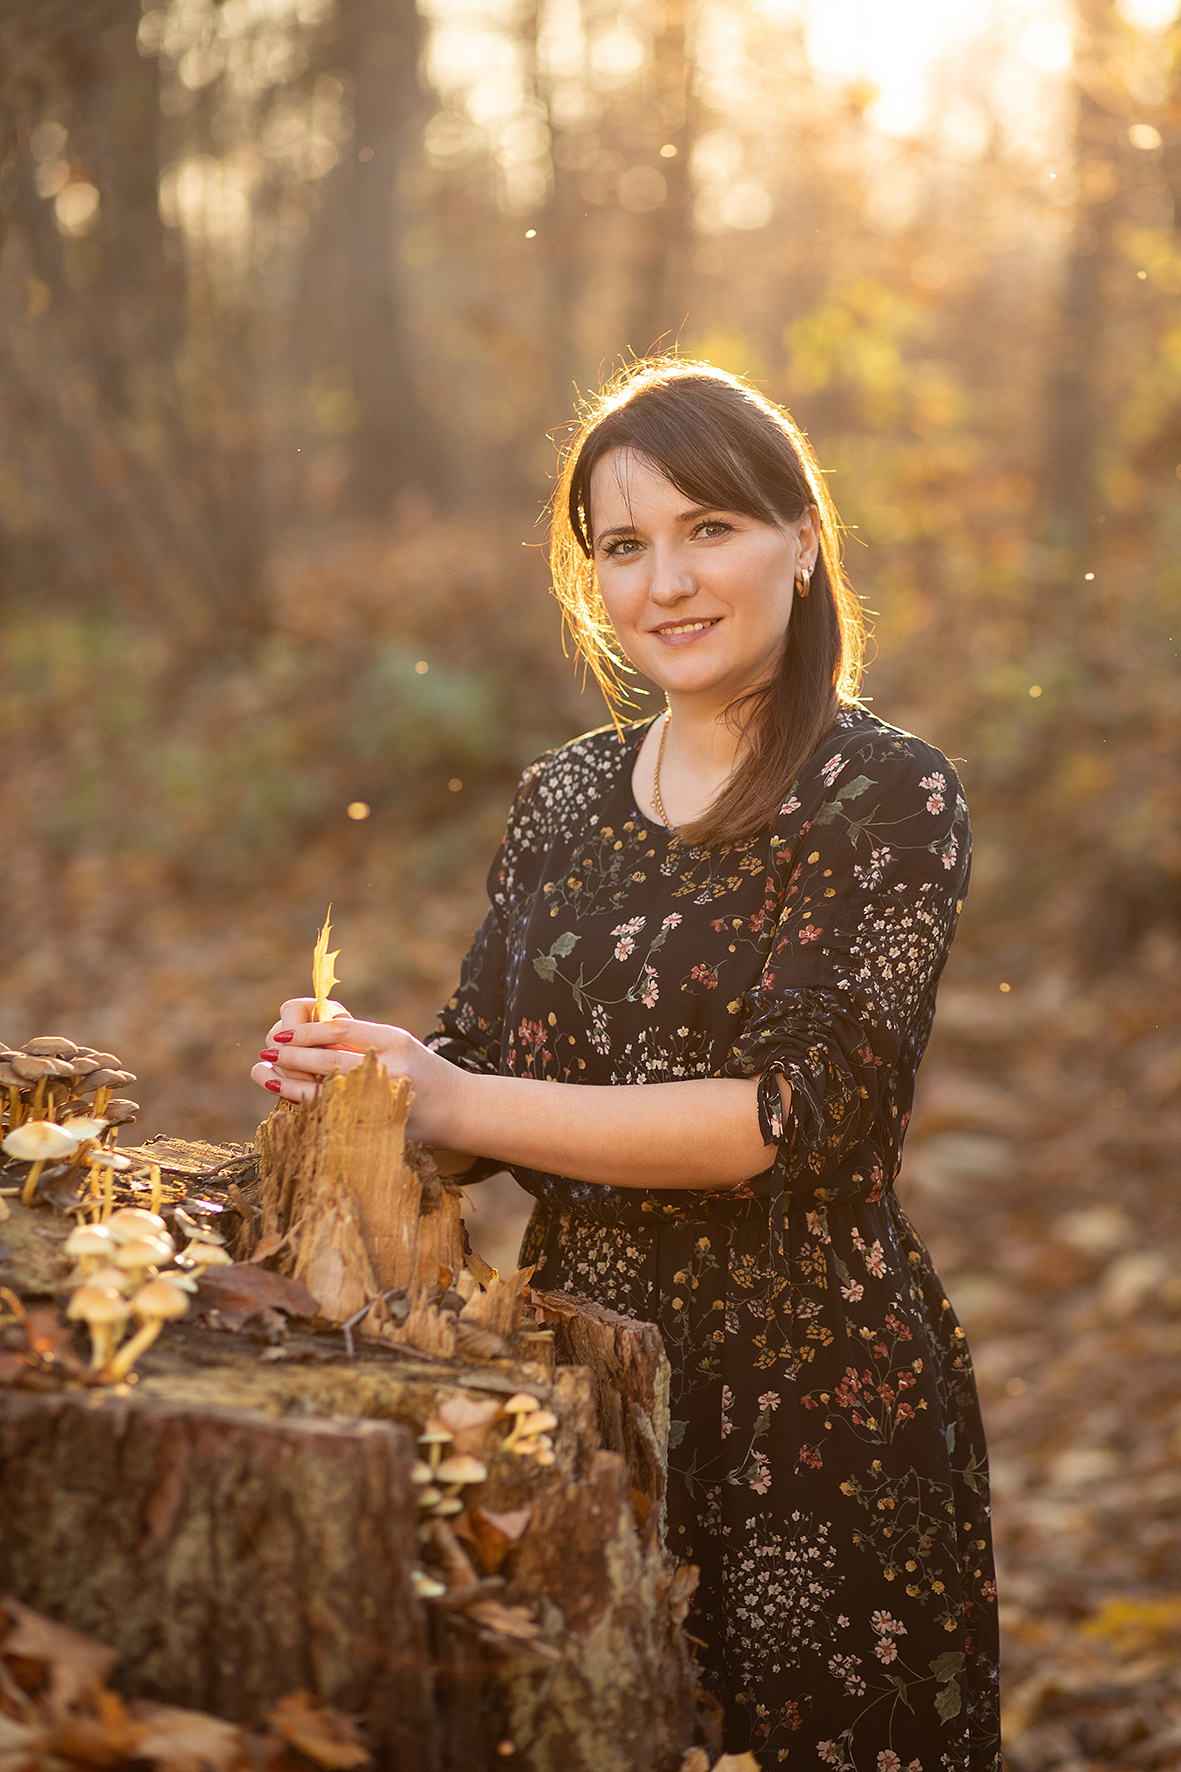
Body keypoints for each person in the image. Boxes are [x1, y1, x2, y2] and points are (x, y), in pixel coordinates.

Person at [253, 359, 1001, 1769]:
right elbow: (475, 1090)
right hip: (574, 1388)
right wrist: (379, 1077)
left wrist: (460, 1096)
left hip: (813, 1412)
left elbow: (788, 1122)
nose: (667, 580)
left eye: (708, 527)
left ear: (800, 539)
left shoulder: (880, 792)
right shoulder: (563, 799)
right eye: (623, 544)